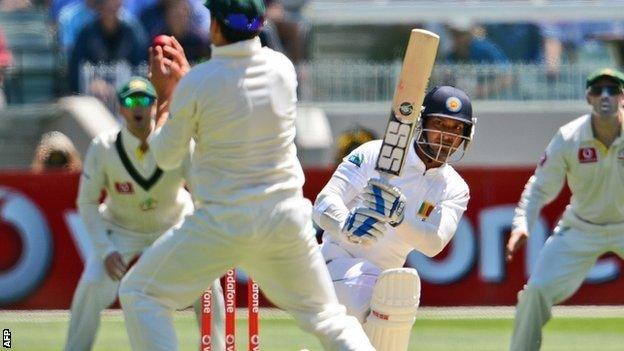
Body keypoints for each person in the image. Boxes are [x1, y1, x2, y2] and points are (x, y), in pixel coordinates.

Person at [117, 1, 375, 350]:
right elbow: (230, 95)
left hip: (221, 223)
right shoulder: (282, 70)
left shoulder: (198, 83)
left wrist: (168, 99)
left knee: (140, 294)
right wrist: (187, 89)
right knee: (328, 318)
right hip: (284, 219)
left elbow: (164, 156)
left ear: (216, 27)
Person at [65, 76, 224, 351]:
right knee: (91, 284)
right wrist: (104, 250)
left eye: (145, 100)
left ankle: (217, 348)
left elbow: (201, 194)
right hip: (122, 228)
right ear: (121, 108)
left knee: (209, 283)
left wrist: (204, 237)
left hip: (174, 222)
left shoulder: (178, 142)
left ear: (155, 106)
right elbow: (87, 203)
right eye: (130, 100)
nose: (138, 107)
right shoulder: (104, 147)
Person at [313, 86, 476, 351]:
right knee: (386, 288)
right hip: (336, 262)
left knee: (400, 287)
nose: (446, 136)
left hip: (385, 285)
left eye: (456, 129)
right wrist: (346, 226)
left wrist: (399, 219)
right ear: (421, 123)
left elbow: (433, 244)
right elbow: (323, 203)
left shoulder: (454, 187)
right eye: (439, 124)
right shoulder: (374, 153)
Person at [506, 68, 624, 351]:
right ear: (588, 98)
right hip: (581, 227)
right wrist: (522, 224)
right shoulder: (569, 137)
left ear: (623, 97)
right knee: (535, 292)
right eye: (598, 91)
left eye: (612, 90)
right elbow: (539, 187)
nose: (605, 96)